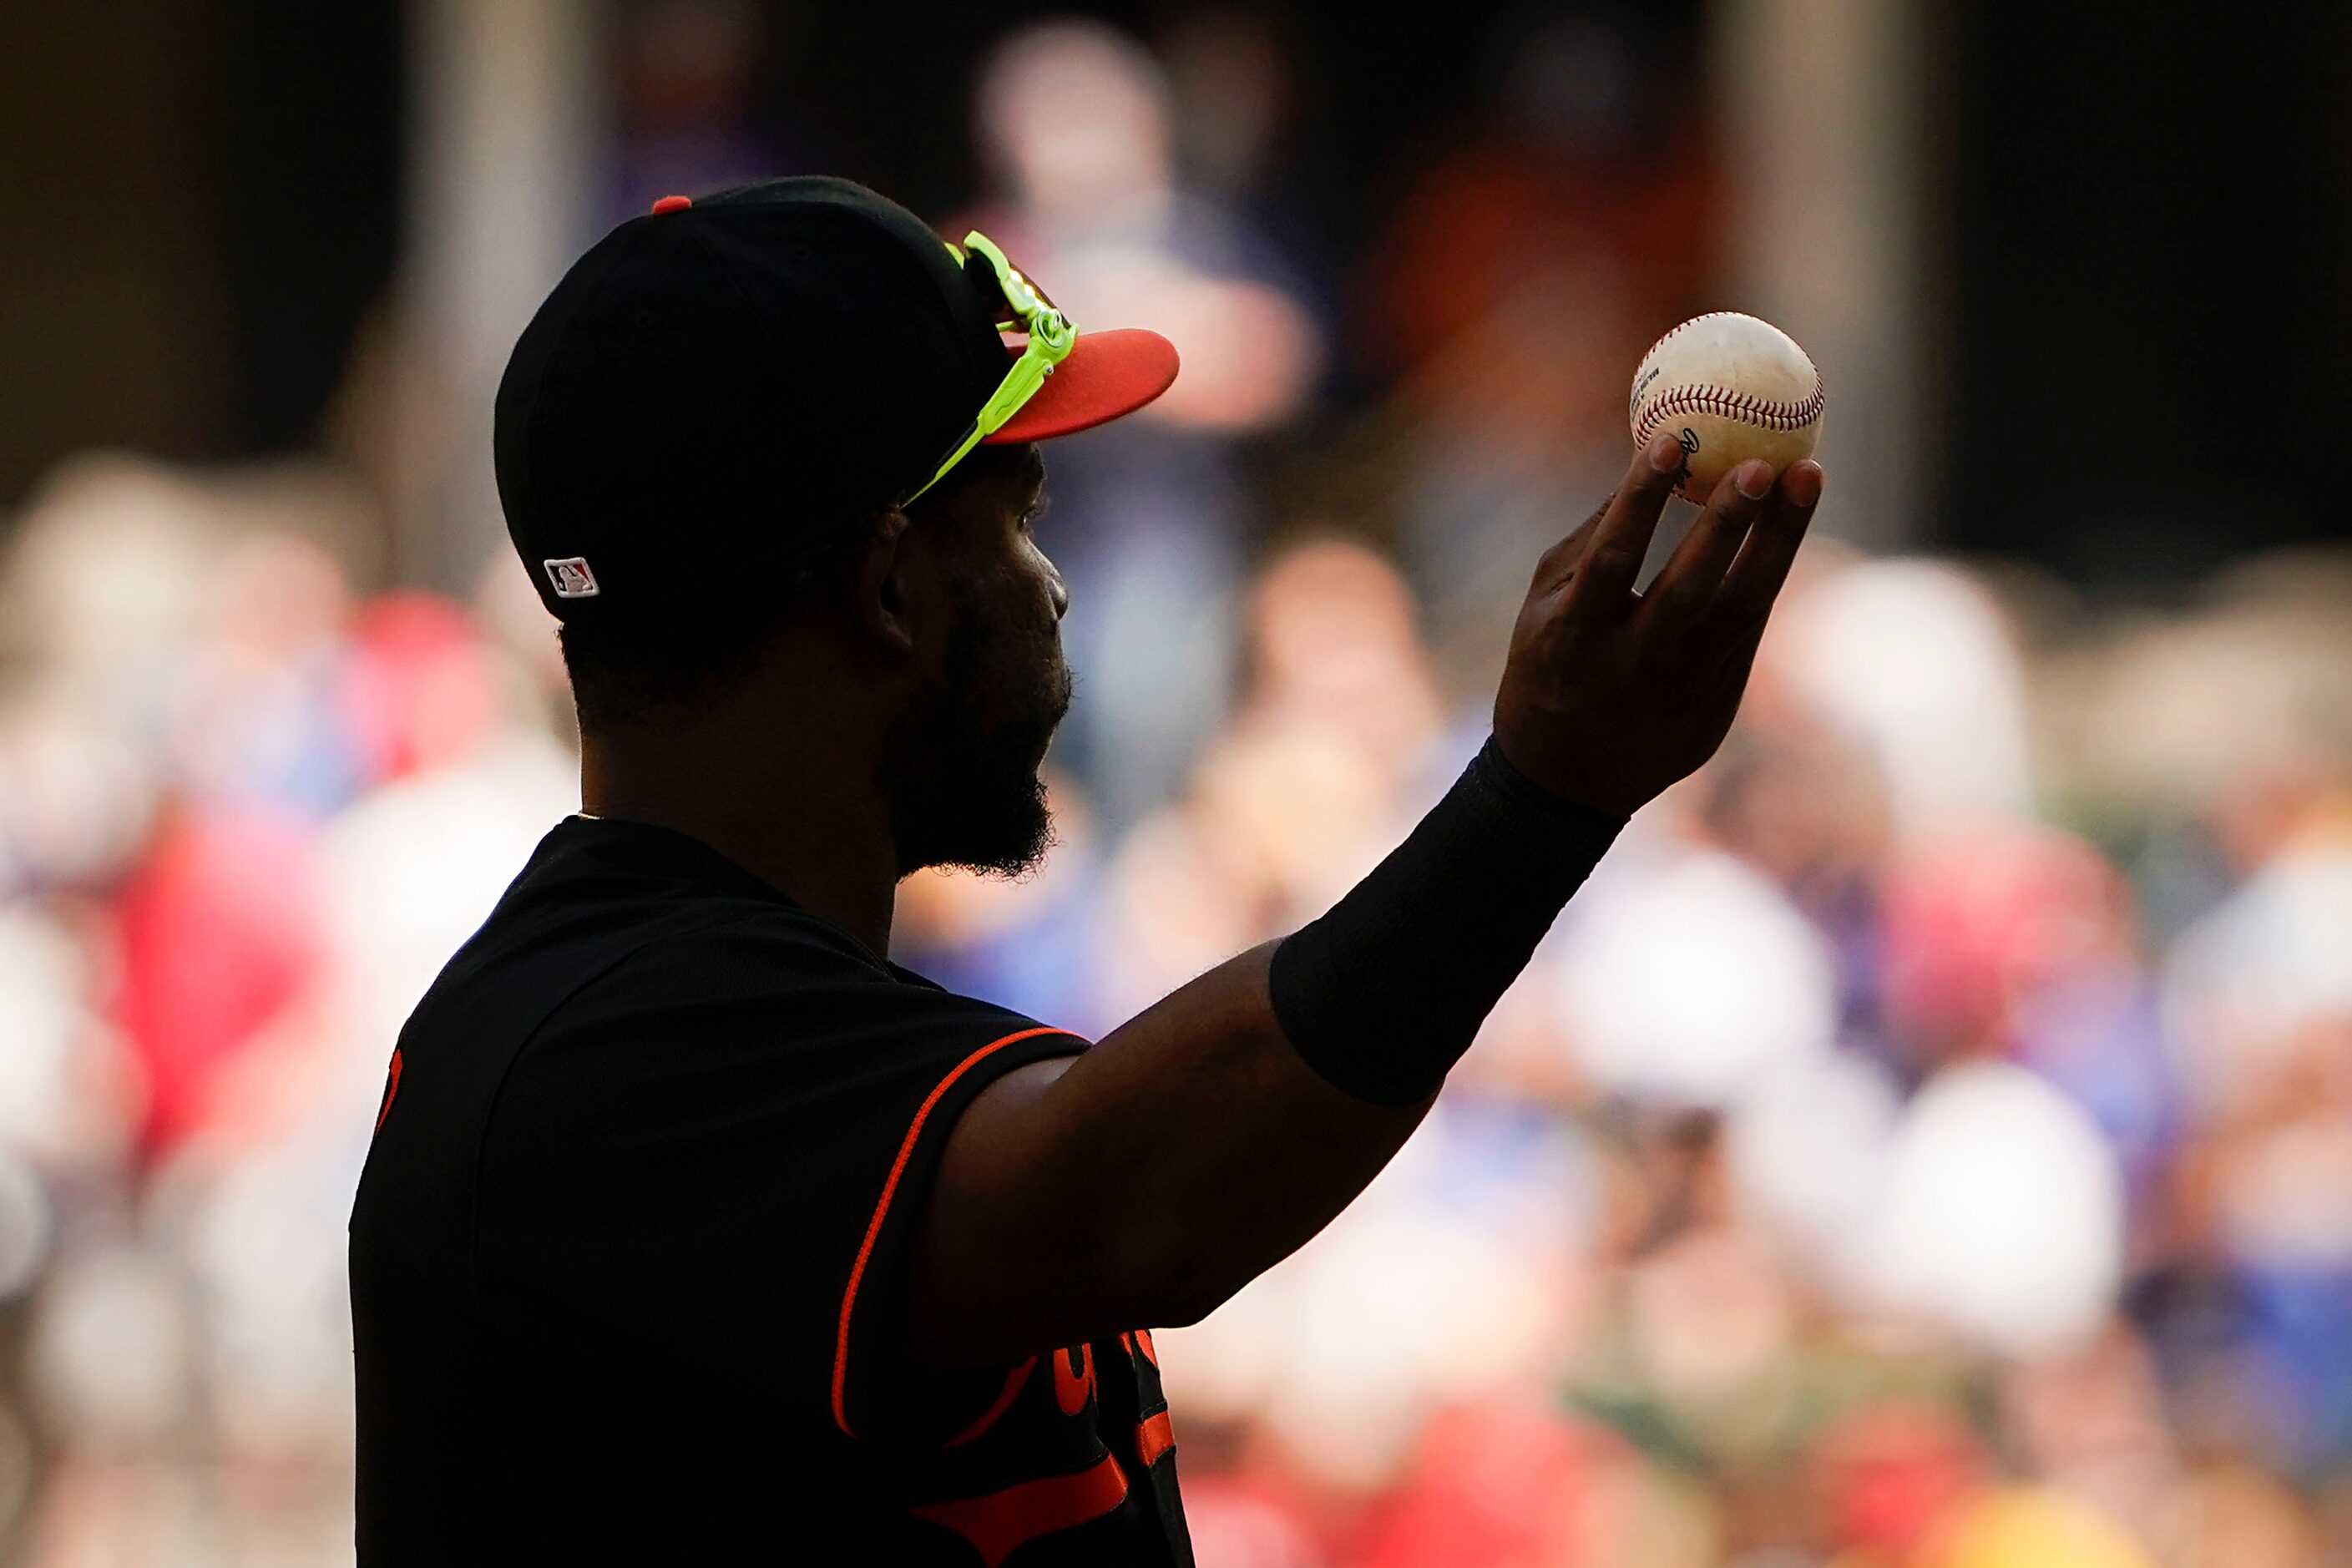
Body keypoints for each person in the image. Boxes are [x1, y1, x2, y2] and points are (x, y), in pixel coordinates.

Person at [346, 175, 1823, 1565]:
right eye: (1017, 517)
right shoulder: (590, 1051)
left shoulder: (684, 998)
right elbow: (1140, 1198)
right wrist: (1542, 796)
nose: (1050, 583)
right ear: (886, 588)